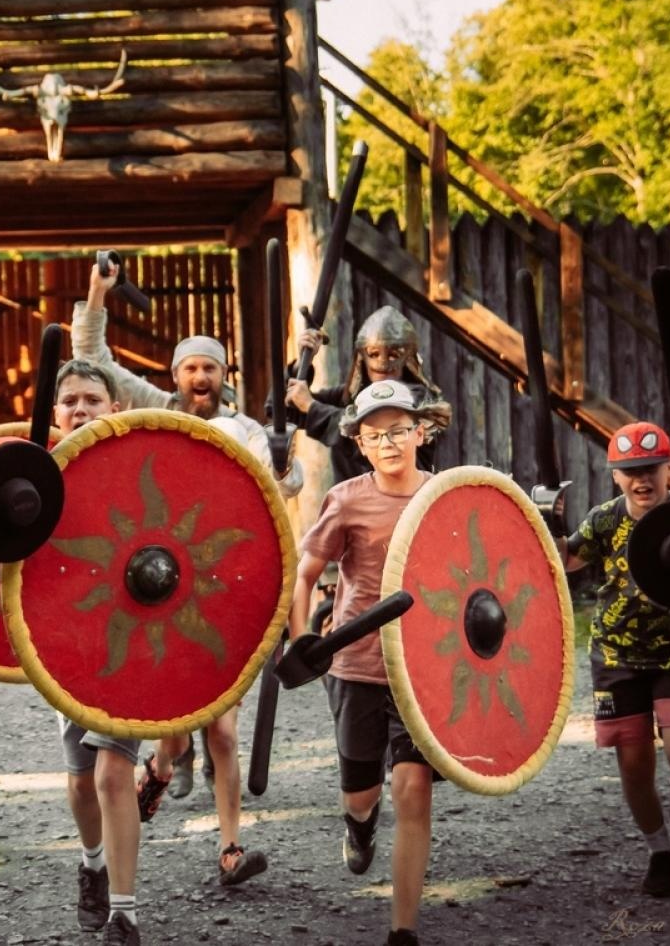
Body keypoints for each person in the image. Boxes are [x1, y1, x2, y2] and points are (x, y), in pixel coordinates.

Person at [72, 257, 302, 887]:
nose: (200, 377)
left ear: (223, 375)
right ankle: (162, 767)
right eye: (191, 367)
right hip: (148, 583)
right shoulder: (153, 409)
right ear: (176, 374)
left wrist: (283, 462)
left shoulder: (244, 429)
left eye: (210, 367)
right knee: (171, 727)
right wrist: (99, 290)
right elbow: (90, 352)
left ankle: (229, 848)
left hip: (215, 591)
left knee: (222, 730)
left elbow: (282, 487)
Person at [290, 381, 438, 946]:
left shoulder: (445, 493)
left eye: (400, 430)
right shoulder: (348, 499)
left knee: (413, 788)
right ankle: (359, 824)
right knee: (363, 793)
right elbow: (304, 574)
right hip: (356, 664)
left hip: (422, 667)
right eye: (377, 435)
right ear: (360, 443)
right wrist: (301, 637)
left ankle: (403, 929)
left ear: (421, 433)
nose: (391, 442)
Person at [562, 421, 670, 899]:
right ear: (616, 476)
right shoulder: (604, 518)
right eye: (630, 471)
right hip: (617, 656)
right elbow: (562, 560)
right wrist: (544, 519)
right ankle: (660, 850)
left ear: (668, 468)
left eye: (651, 468)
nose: (642, 479)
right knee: (635, 764)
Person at [45, 359, 145, 945]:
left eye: (91, 399)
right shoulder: (37, 474)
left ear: (114, 408)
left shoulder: (139, 465)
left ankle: (123, 913)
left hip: (132, 640)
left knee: (113, 773)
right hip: (65, 646)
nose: (80, 410)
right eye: (70, 401)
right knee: (82, 780)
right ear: (55, 413)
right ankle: (92, 864)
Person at [285, 306, 451, 480]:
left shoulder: (419, 400)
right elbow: (280, 410)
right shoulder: (349, 396)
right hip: (354, 503)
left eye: (393, 354)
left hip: (407, 503)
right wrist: (301, 366)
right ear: (363, 358)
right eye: (374, 353)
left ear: (407, 359)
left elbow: (369, 433)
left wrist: (311, 407)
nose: (382, 363)